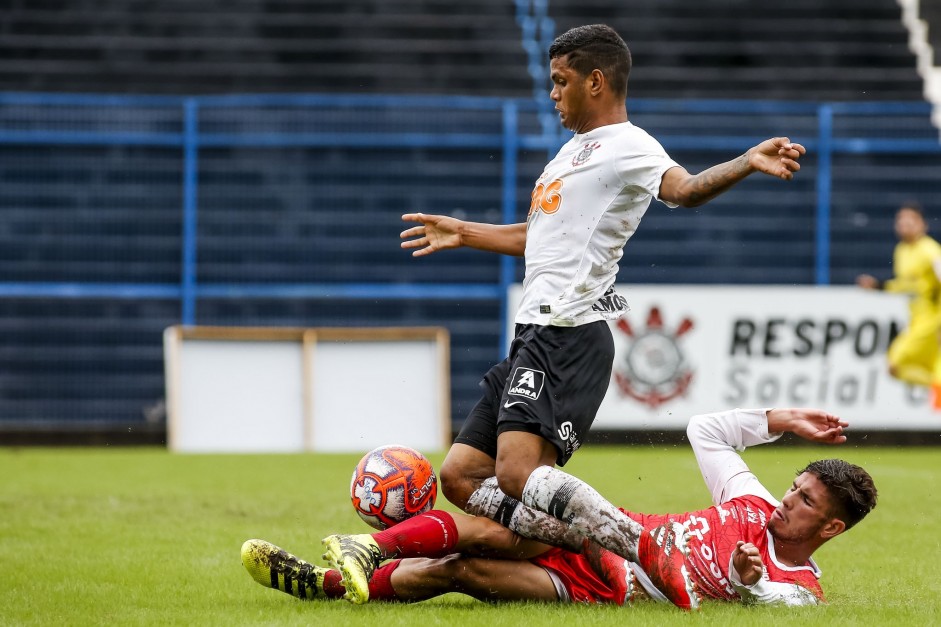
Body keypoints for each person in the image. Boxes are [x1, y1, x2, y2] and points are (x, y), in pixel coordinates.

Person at [325, 24, 808, 610]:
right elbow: (544, 237)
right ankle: (583, 539)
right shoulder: (570, 152)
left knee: (516, 473)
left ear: (596, 80)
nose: (553, 94)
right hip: (533, 333)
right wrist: (465, 232)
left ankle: (641, 544)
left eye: (561, 82)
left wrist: (747, 161)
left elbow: (683, 190)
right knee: (458, 476)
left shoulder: (631, 144)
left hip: (570, 332)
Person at [242, 407, 877, 608]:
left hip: (612, 589)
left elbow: (768, 603)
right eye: (792, 487)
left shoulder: (803, 588)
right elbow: (708, 430)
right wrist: (777, 420)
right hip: (609, 539)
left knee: (463, 571)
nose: (783, 502)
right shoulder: (751, 501)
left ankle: (338, 585)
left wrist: (747, 580)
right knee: (499, 529)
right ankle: (336, 571)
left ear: (831, 528)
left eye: (803, 503)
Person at [856, 202, 941, 402]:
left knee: (895, 364)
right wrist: (879, 286)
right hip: (918, 321)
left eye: (910, 219)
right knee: (908, 368)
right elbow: (907, 286)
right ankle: (936, 386)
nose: (904, 223)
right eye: (901, 219)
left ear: (923, 225)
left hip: (932, 323)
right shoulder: (902, 250)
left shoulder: (930, 251)